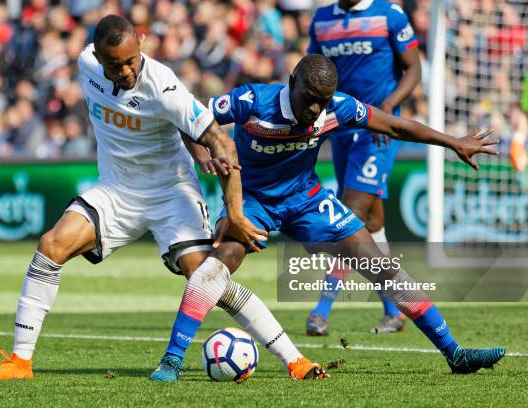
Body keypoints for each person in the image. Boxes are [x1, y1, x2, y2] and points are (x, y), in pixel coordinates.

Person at [0, 15, 325, 381]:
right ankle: (20, 362)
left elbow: (221, 142)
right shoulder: (85, 63)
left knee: (206, 279)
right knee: (52, 245)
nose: (127, 71)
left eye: (132, 60)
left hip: (170, 194)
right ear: (97, 57)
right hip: (116, 190)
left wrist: (235, 214)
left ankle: (294, 360)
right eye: (115, 65)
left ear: (141, 42)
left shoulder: (164, 86)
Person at [151, 54, 505, 382]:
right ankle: (171, 359)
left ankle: (454, 353)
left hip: (307, 200)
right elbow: (189, 116)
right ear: (292, 82)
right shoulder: (252, 101)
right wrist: (202, 156)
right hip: (254, 201)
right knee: (218, 264)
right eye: (310, 98)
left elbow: (394, 127)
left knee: (382, 266)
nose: (316, 108)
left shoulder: (338, 107)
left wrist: (452, 142)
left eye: (323, 100)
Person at [305, 0, 422, 335]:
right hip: (341, 129)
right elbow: (314, 69)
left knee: (350, 216)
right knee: (371, 222)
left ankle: (321, 309)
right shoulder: (322, 19)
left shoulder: (390, 14)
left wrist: (387, 107)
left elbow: (414, 69)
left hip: (378, 132)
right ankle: (394, 310)